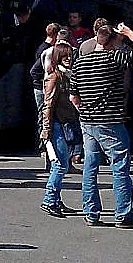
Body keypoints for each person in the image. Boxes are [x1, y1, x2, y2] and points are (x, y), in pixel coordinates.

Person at [69, 22, 133, 226]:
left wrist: (86, 112)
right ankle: (123, 214)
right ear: (113, 41)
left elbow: (73, 97)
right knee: (120, 166)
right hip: (111, 121)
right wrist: (129, 33)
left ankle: (91, 212)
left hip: (87, 121)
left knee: (90, 167)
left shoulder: (80, 62)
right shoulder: (114, 57)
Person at [40, 42, 81, 217]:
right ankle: (49, 200)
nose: (69, 59)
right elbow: (47, 105)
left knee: (62, 164)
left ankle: (55, 199)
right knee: (59, 164)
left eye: (70, 56)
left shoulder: (67, 76)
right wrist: (46, 129)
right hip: (55, 125)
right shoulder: (54, 77)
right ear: (57, 58)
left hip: (64, 124)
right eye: (65, 56)